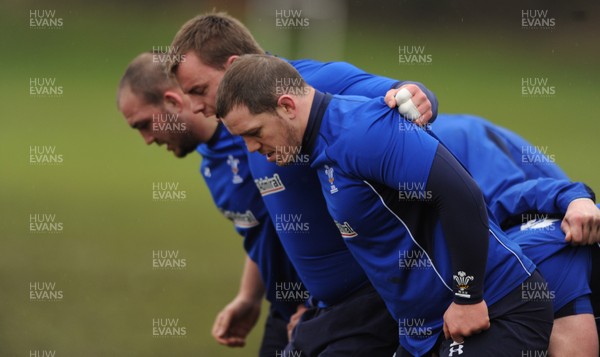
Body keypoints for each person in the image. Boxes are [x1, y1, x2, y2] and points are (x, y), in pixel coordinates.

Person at [216, 54, 586, 356]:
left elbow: (461, 195)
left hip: (497, 306)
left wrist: (468, 297)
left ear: (286, 106)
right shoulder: (320, 149)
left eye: (254, 133)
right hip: (425, 329)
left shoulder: (362, 131)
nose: (252, 149)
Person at [162, 11, 441, 355]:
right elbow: (273, 225)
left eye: (199, 90)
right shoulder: (242, 124)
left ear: (233, 66)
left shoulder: (305, 84)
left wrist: (414, 94)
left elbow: (403, 97)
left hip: (372, 300)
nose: (194, 106)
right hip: (320, 308)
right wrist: (274, 300)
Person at [117, 52, 304, 356]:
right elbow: (263, 227)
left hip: (327, 307)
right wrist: (249, 296)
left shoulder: (259, 134)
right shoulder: (210, 162)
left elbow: (326, 211)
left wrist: (321, 304)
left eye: (144, 124)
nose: (147, 139)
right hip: (285, 310)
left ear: (171, 101)